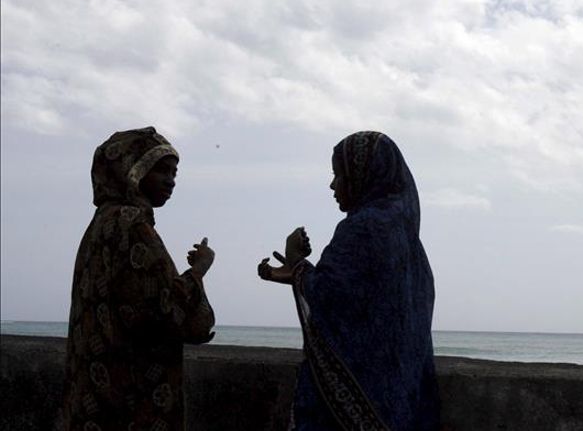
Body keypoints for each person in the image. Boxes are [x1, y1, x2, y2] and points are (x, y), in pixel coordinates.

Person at [258, 131, 441, 431]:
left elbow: (330, 296)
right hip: (398, 402)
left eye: (338, 175)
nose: (332, 185)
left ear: (361, 177)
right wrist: (295, 273)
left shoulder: (363, 228)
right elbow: (362, 297)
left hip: (351, 408)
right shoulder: (405, 237)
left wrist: (297, 262)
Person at [63, 127, 216, 431]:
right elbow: (169, 310)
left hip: (96, 399)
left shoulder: (99, 226)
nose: (171, 181)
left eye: (174, 173)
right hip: (133, 401)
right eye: (161, 170)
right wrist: (199, 270)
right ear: (132, 169)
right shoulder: (132, 225)